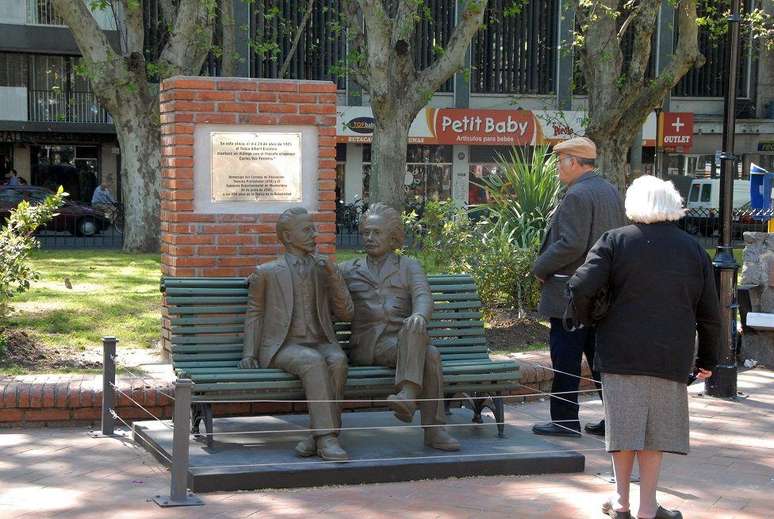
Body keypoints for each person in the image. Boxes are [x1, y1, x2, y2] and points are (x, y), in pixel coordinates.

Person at [568, 176, 720, 519]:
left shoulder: (615, 241)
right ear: (673, 205)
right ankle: (648, 506)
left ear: (634, 205)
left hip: (619, 351)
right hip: (670, 355)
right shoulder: (693, 249)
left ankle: (621, 501)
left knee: (623, 430)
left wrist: (589, 318)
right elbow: (710, 313)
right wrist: (709, 357)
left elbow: (580, 287)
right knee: (655, 434)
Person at [339, 203, 460, 451]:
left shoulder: (409, 266)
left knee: (425, 346)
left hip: (403, 342)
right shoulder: (348, 268)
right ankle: (432, 428)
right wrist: (261, 276)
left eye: (376, 233)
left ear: (393, 237)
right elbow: (314, 276)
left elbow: (423, 297)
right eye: (366, 233)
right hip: (367, 346)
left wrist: (419, 316)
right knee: (430, 355)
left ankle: (408, 396)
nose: (370, 238)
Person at [240, 207, 354, 461]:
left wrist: (334, 276)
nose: (314, 234)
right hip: (284, 346)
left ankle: (317, 434)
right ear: (288, 237)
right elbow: (255, 313)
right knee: (312, 361)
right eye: (307, 229)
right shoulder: (268, 272)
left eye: (313, 228)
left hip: (321, 340)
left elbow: (346, 313)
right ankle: (326, 439)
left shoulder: (323, 269)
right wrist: (249, 353)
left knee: (337, 360)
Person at [531, 137, 627, 438]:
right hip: (602, 292)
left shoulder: (577, 195)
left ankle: (564, 420)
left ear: (573, 162)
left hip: (569, 294)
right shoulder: (610, 191)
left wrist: (540, 267)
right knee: (601, 362)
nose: (558, 168)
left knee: (565, 359)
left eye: (560, 162)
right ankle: (617, 420)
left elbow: (571, 243)